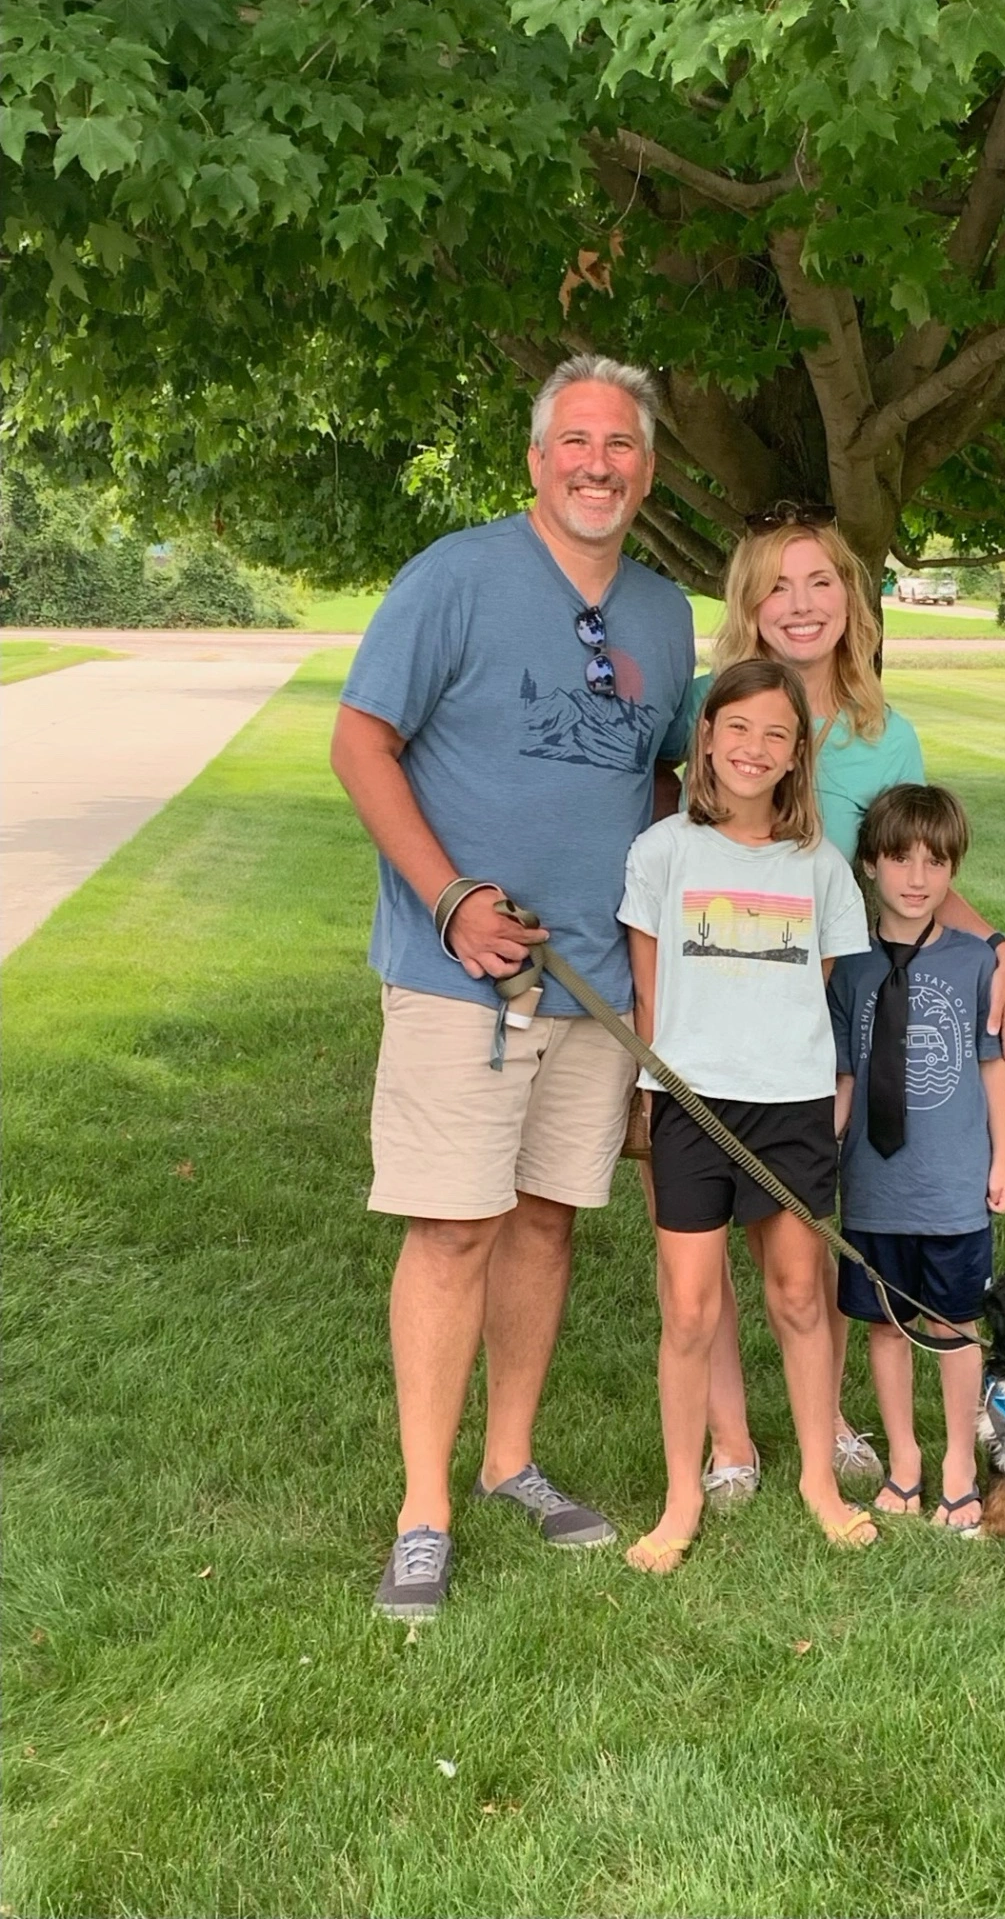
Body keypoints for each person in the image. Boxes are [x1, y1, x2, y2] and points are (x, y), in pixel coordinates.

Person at [330, 355, 695, 1618]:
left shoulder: (662, 614)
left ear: (648, 469)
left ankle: (509, 1462)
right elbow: (360, 740)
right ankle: (422, 1510)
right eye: (578, 442)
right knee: (454, 1226)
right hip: (457, 974)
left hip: (593, 985)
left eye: (625, 447)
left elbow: (662, 777)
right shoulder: (457, 577)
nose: (601, 464)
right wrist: (449, 897)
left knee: (546, 1220)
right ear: (538, 460)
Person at [687, 507, 1005, 1502]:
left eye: (821, 583)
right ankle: (730, 1441)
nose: (801, 605)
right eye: (777, 586)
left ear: (852, 598)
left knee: (812, 1231)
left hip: (828, 1020)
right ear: (748, 604)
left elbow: (913, 869)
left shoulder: (886, 732)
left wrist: (994, 941)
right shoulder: (712, 706)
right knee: (703, 1237)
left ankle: (829, 1421)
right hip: (725, 1005)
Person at [617, 659, 878, 1570]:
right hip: (691, 1106)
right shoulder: (661, 855)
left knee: (801, 1295)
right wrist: (660, 1091)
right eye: (738, 729)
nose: (754, 749)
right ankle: (681, 1495)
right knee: (689, 1310)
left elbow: (815, 991)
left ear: (797, 752)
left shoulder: (820, 868)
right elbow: (651, 1000)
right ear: (708, 737)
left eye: (776, 734)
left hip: (791, 1107)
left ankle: (817, 1478)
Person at [828, 784, 1005, 1529]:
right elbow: (846, 1074)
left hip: (953, 1187)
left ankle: (958, 1468)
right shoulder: (847, 969)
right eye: (900, 860)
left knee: (955, 1326)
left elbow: (995, 1066)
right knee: (885, 1325)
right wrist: (822, 1154)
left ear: (952, 872)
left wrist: (1002, 1162)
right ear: (869, 865)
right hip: (874, 1190)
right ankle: (903, 1460)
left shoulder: (976, 964)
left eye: (935, 863)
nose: (917, 878)